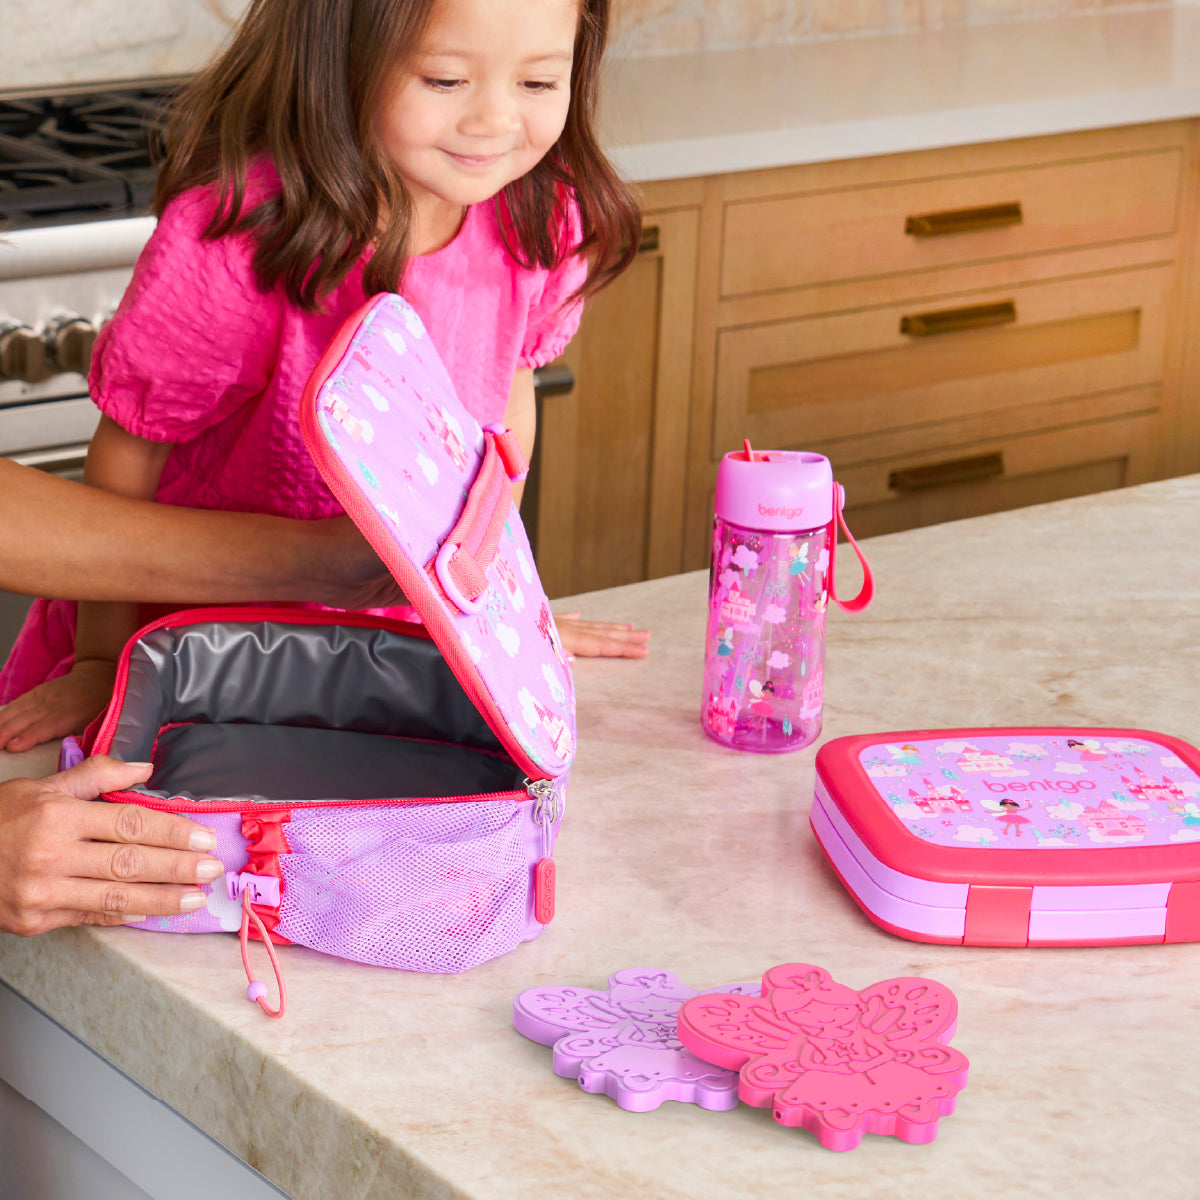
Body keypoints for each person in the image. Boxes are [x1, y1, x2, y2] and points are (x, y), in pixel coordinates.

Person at [0, 0, 649, 754]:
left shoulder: (543, 215)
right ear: (341, 59)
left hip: (381, 644)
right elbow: (133, 448)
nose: (496, 121)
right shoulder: (243, 234)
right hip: (193, 651)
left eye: (539, 83)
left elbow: (504, 407)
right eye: (445, 79)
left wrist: (492, 620)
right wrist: (100, 659)